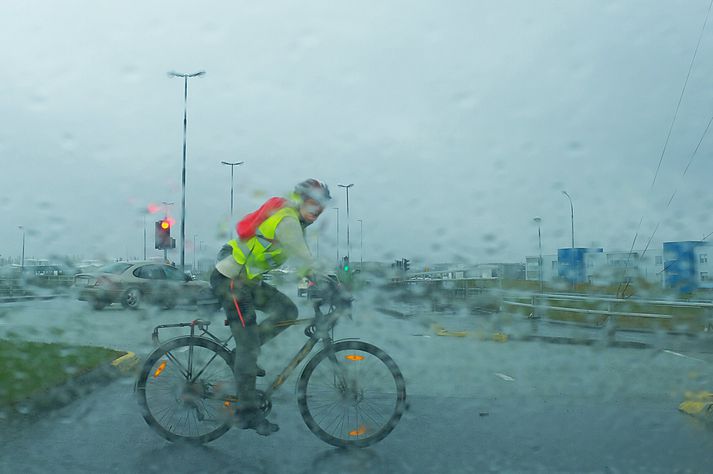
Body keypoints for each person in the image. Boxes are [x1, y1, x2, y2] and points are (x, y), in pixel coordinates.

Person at [209, 178, 331, 436]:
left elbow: (303, 261)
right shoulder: (287, 220)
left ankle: (243, 356)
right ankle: (247, 412)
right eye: (313, 203)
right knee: (248, 345)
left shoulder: (296, 222)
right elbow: (304, 257)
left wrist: (323, 280)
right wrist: (327, 281)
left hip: (247, 281)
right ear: (301, 200)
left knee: (287, 311)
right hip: (230, 281)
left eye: (321, 206)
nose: (317, 211)